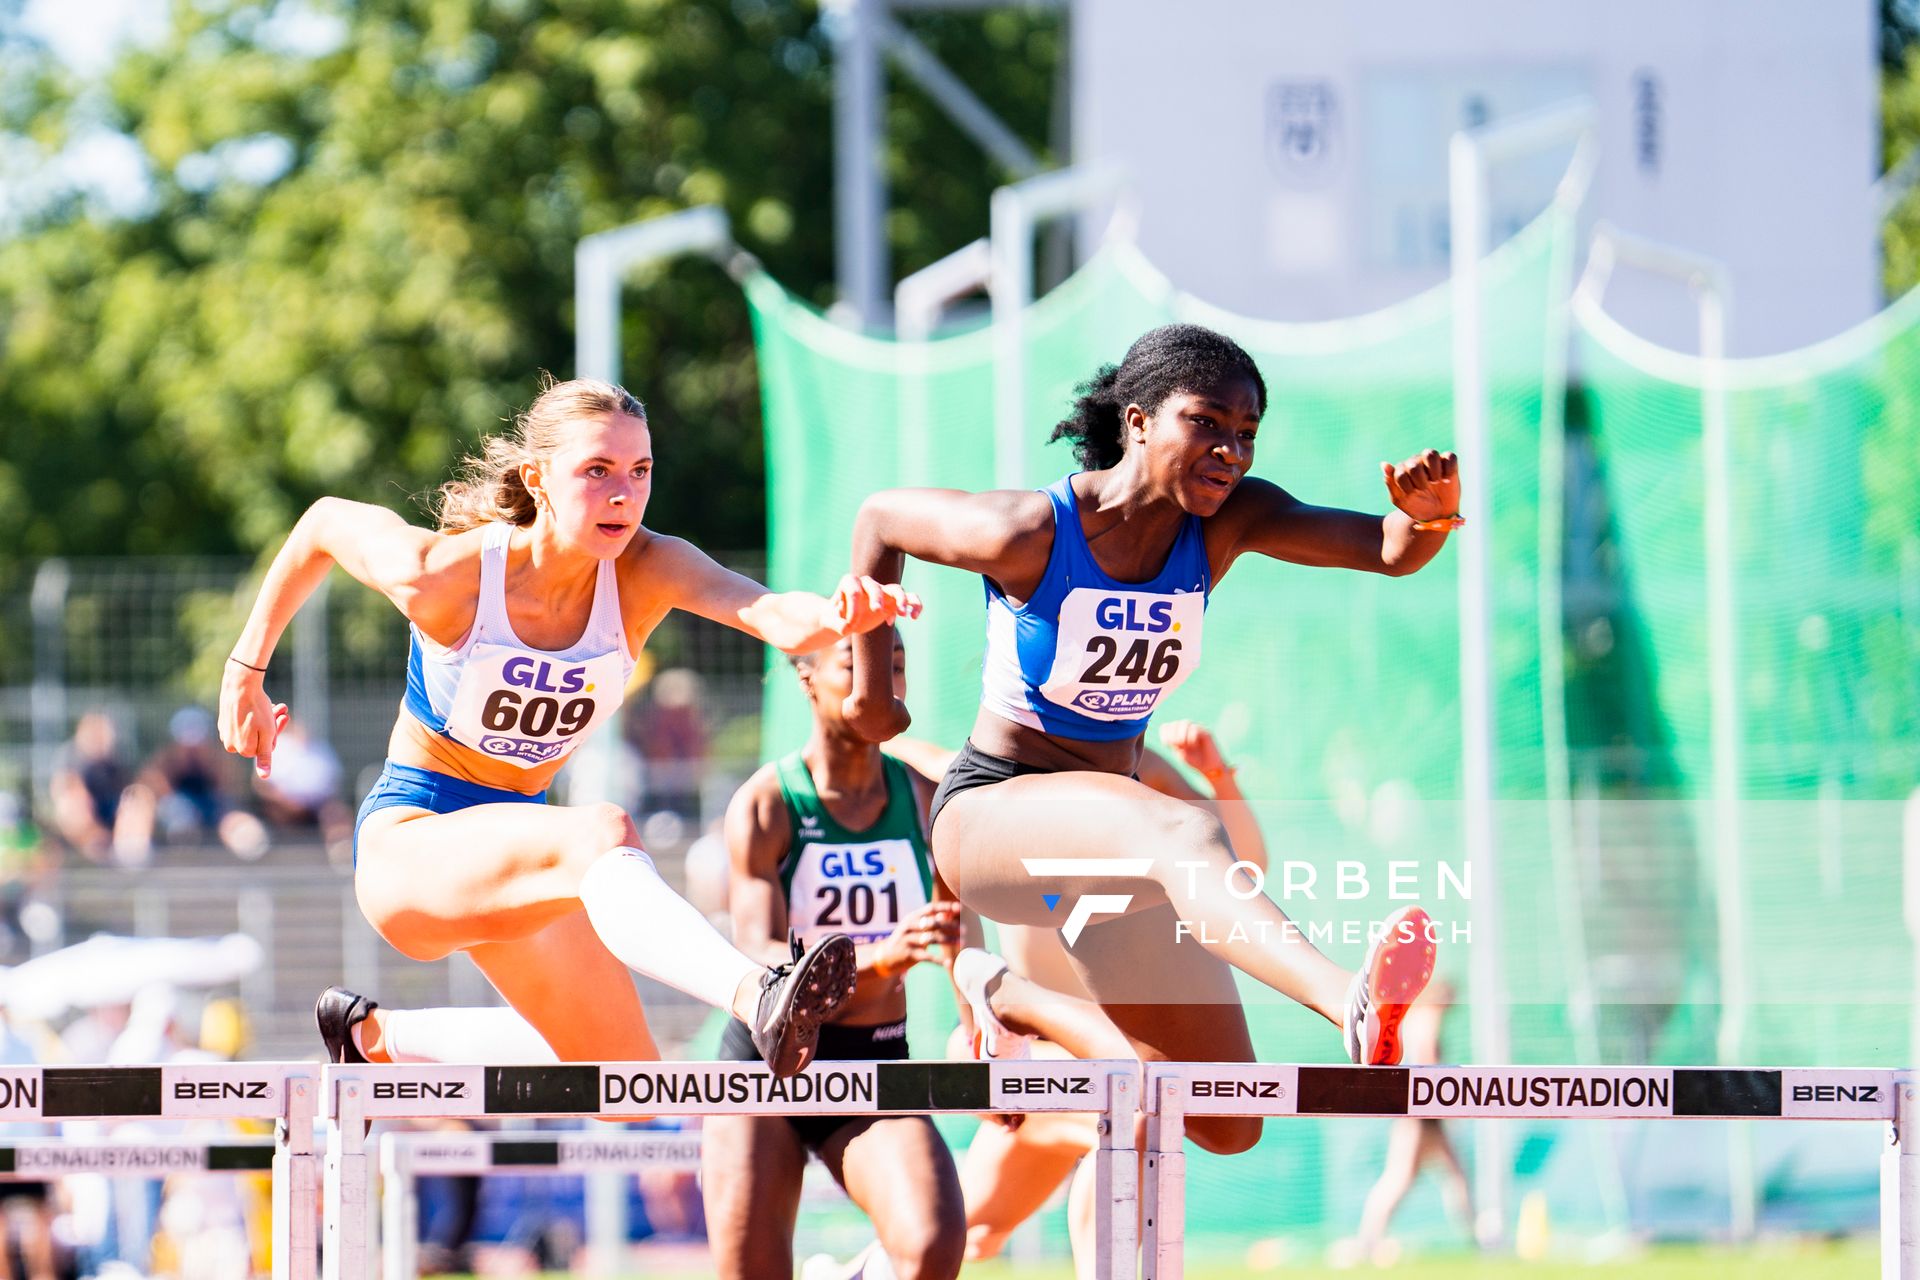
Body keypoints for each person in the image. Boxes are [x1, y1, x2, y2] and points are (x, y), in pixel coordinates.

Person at [845, 323, 1456, 1154]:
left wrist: (1425, 518)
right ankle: (1347, 998)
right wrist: (871, 693)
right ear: (1138, 423)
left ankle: (1015, 1006)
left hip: (1110, 855)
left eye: (1246, 434)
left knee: (1223, 1115)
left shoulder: (1227, 523)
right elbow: (880, 520)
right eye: (1207, 423)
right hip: (989, 820)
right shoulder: (1026, 532)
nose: (1231, 452)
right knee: (1179, 824)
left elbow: (1386, 550)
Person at [219, 375, 916, 1076]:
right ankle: (756, 992)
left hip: (524, 846)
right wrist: (245, 671)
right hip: (412, 844)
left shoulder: (648, 567)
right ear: (537, 479)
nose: (624, 495)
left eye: (641, 472)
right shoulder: (446, 576)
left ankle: (375, 1037)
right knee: (602, 831)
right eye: (598, 471)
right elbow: (322, 524)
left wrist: (834, 617)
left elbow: (763, 610)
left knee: (625, 1079)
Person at [891, 719, 1268, 1277]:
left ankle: (851, 1273)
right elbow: (906, 746)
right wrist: (866, 714)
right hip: (1016, 1045)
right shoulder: (988, 783)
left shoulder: (1138, 771)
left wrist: (1217, 773)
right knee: (1132, 1104)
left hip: (1092, 1050)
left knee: (974, 1235)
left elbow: (1243, 876)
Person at [702, 631, 969, 1280]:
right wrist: (879, 957)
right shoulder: (769, 803)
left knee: (932, 1247)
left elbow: (958, 931)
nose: (881, 684)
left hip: (873, 1054)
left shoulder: (925, 798)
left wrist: (980, 1030)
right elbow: (757, 951)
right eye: (858, 665)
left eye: (896, 666)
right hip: (768, 1063)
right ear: (807, 678)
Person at [1342, 979, 1476, 1267]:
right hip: (1422, 1113)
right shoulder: (1429, 1017)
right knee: (1401, 1179)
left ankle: (1476, 1238)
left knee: (1452, 1176)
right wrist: (1437, 1109)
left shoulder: (1415, 1017)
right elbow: (1427, 1062)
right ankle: (1367, 1242)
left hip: (1420, 1111)